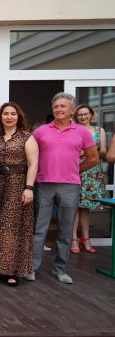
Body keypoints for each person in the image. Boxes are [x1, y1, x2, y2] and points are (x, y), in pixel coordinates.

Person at [29, 93, 99, 284]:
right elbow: (29, 154)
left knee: (66, 230)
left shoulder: (82, 132)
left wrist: (75, 170)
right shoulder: (41, 131)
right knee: (39, 229)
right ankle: (32, 268)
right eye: (56, 106)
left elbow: (93, 158)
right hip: (44, 184)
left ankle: (60, 269)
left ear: (72, 110)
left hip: (70, 186)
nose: (59, 109)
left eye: (63, 106)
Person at [0, 103, 38, 287]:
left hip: (17, 185)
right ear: (0, 117)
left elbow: (33, 164)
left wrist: (29, 188)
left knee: (13, 228)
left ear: (18, 116)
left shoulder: (27, 137)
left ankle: (13, 270)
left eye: (13, 114)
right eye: (5, 114)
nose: (9, 117)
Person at [71, 104, 107, 253]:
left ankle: (86, 239)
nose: (83, 117)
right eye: (80, 114)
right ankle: (73, 239)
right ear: (76, 116)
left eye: (86, 114)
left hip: (93, 172)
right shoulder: (73, 130)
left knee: (85, 208)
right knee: (74, 207)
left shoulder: (100, 130)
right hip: (76, 169)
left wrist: (94, 152)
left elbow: (103, 151)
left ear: (91, 115)